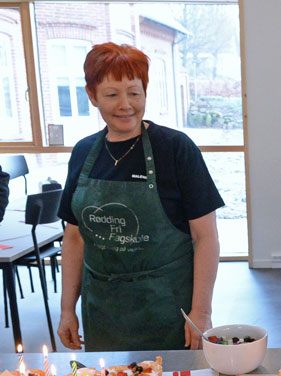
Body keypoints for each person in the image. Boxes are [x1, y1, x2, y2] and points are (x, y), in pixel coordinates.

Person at [57, 43, 224, 352]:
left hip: (167, 309)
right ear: (92, 96)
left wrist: (201, 311)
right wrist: (68, 309)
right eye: (112, 95)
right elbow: (74, 238)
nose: (126, 105)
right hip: (103, 312)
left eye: (134, 93)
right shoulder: (83, 152)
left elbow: (205, 237)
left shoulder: (175, 149)